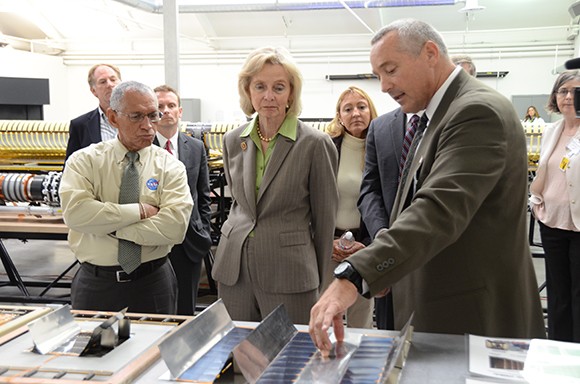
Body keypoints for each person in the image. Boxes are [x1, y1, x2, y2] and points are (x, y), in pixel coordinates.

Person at [309, 18, 546, 352]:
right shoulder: (434, 117)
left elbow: (438, 211)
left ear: (430, 53)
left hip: (471, 317)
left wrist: (356, 274)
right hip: (438, 309)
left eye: (390, 70)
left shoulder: (476, 112)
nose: (384, 86)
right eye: (379, 75)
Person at [212, 46, 338, 325]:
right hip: (234, 270)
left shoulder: (315, 144)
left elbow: (325, 220)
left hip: (290, 273)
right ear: (248, 91)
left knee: (289, 355)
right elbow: (239, 206)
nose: (269, 96)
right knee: (236, 352)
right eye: (260, 86)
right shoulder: (233, 140)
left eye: (279, 87)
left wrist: (317, 279)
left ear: (291, 93)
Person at [59, 80, 193, 315]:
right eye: (136, 117)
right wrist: (140, 212)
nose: (148, 126)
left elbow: (175, 227)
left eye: (153, 115)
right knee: (93, 350)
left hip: (153, 284)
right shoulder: (85, 162)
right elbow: (76, 214)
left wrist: (109, 227)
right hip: (96, 284)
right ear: (113, 118)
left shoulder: (170, 166)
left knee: (154, 351)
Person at [529, 70, 580, 342]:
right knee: (559, 292)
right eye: (563, 91)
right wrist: (536, 203)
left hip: (578, 224)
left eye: (575, 91)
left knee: (577, 295)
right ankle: (557, 349)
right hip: (550, 222)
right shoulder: (551, 131)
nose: (569, 97)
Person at [153, 84, 212, 316]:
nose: (166, 111)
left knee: (186, 308)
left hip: (190, 242)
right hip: (154, 241)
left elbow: (203, 194)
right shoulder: (143, 148)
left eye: (171, 106)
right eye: (159, 107)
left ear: (180, 111)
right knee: (158, 307)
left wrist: (204, 233)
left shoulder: (196, 147)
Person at [324, 86, 378, 329]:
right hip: (329, 244)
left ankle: (359, 366)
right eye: (348, 108)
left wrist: (367, 245)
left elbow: (383, 202)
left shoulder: (381, 147)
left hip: (364, 246)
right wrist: (327, 241)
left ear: (370, 111)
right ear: (339, 115)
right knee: (324, 311)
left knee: (361, 317)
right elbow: (314, 198)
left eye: (361, 106)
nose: (356, 113)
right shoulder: (327, 147)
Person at [65, 63, 122, 160]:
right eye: (103, 82)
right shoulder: (80, 126)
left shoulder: (141, 118)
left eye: (113, 79)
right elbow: (71, 167)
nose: (109, 84)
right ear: (93, 91)